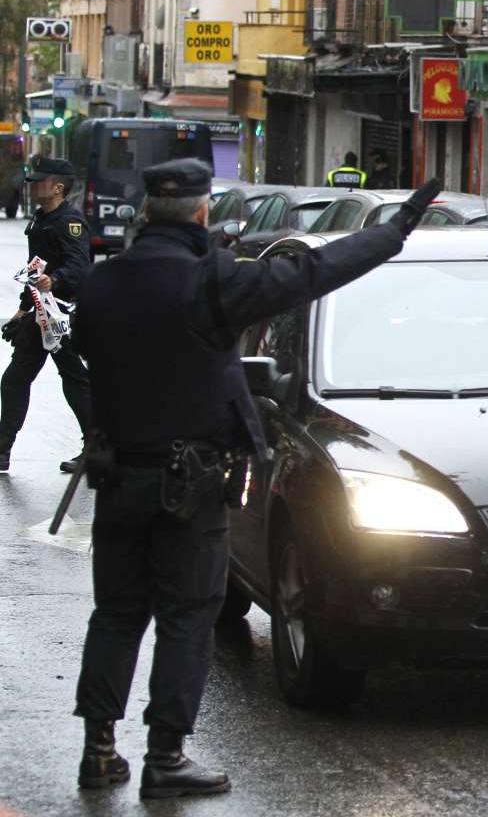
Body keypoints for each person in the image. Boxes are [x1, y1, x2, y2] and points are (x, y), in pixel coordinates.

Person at [70, 158, 442, 798]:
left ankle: (99, 750)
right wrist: (397, 228)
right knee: (188, 616)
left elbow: (90, 350)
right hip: (191, 483)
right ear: (200, 212)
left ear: (146, 212)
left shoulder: (105, 285)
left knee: (116, 614)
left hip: (118, 477)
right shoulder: (211, 283)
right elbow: (315, 271)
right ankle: (166, 757)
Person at [0, 156, 93, 475]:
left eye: (40, 181)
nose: (33, 186)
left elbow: (79, 265)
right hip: (39, 315)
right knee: (13, 380)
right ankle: (2, 450)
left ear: (57, 188)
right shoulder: (41, 219)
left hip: (62, 316)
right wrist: (22, 310)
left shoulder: (69, 222)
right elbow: (35, 267)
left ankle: (95, 447)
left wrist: (56, 280)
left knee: (75, 381)